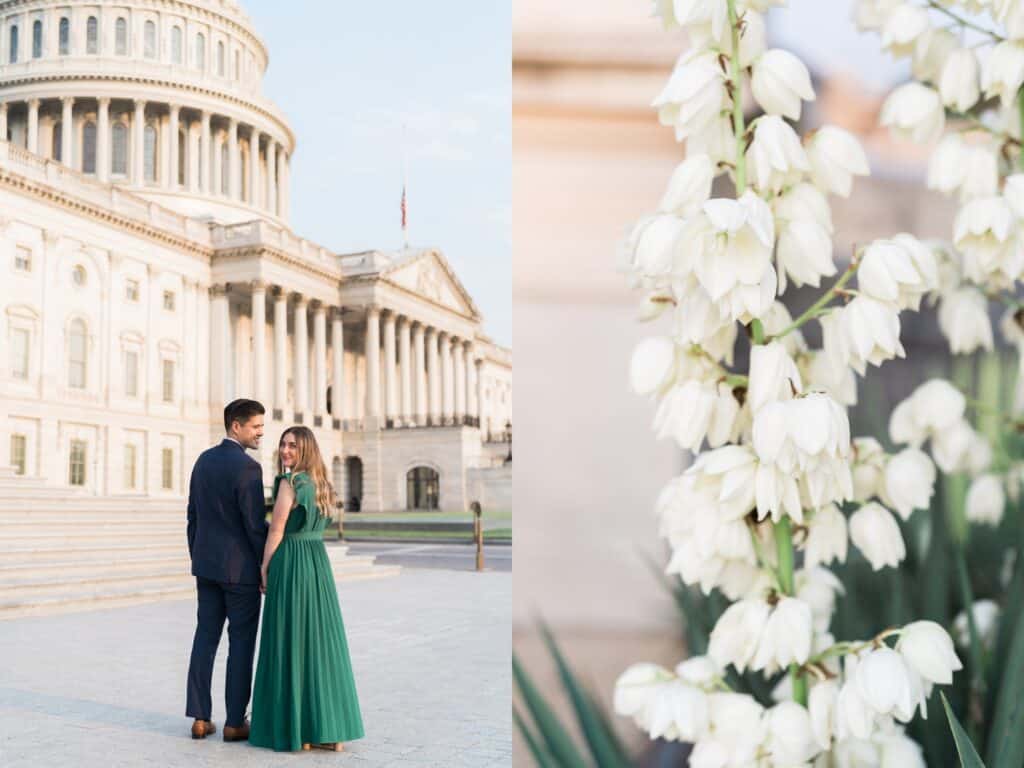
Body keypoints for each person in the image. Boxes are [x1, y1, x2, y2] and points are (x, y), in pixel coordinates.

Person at [248, 425, 365, 752]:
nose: (286, 451)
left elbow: (277, 530)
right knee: (320, 642)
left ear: (306, 451)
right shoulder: (323, 484)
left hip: (292, 562)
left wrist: (265, 566)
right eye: (284, 445)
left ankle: (297, 729)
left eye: (293, 447)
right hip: (317, 564)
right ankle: (328, 729)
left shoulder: (291, 483)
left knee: (290, 641)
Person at [185, 398, 268, 741]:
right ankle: (235, 722)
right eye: (256, 427)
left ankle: (200, 718)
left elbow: (193, 516)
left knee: (205, 639)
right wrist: (265, 564)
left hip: (206, 567)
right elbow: (253, 525)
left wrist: (199, 556)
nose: (261, 433)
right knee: (241, 644)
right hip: (241, 572)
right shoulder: (248, 468)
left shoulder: (203, 460)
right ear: (237, 426)